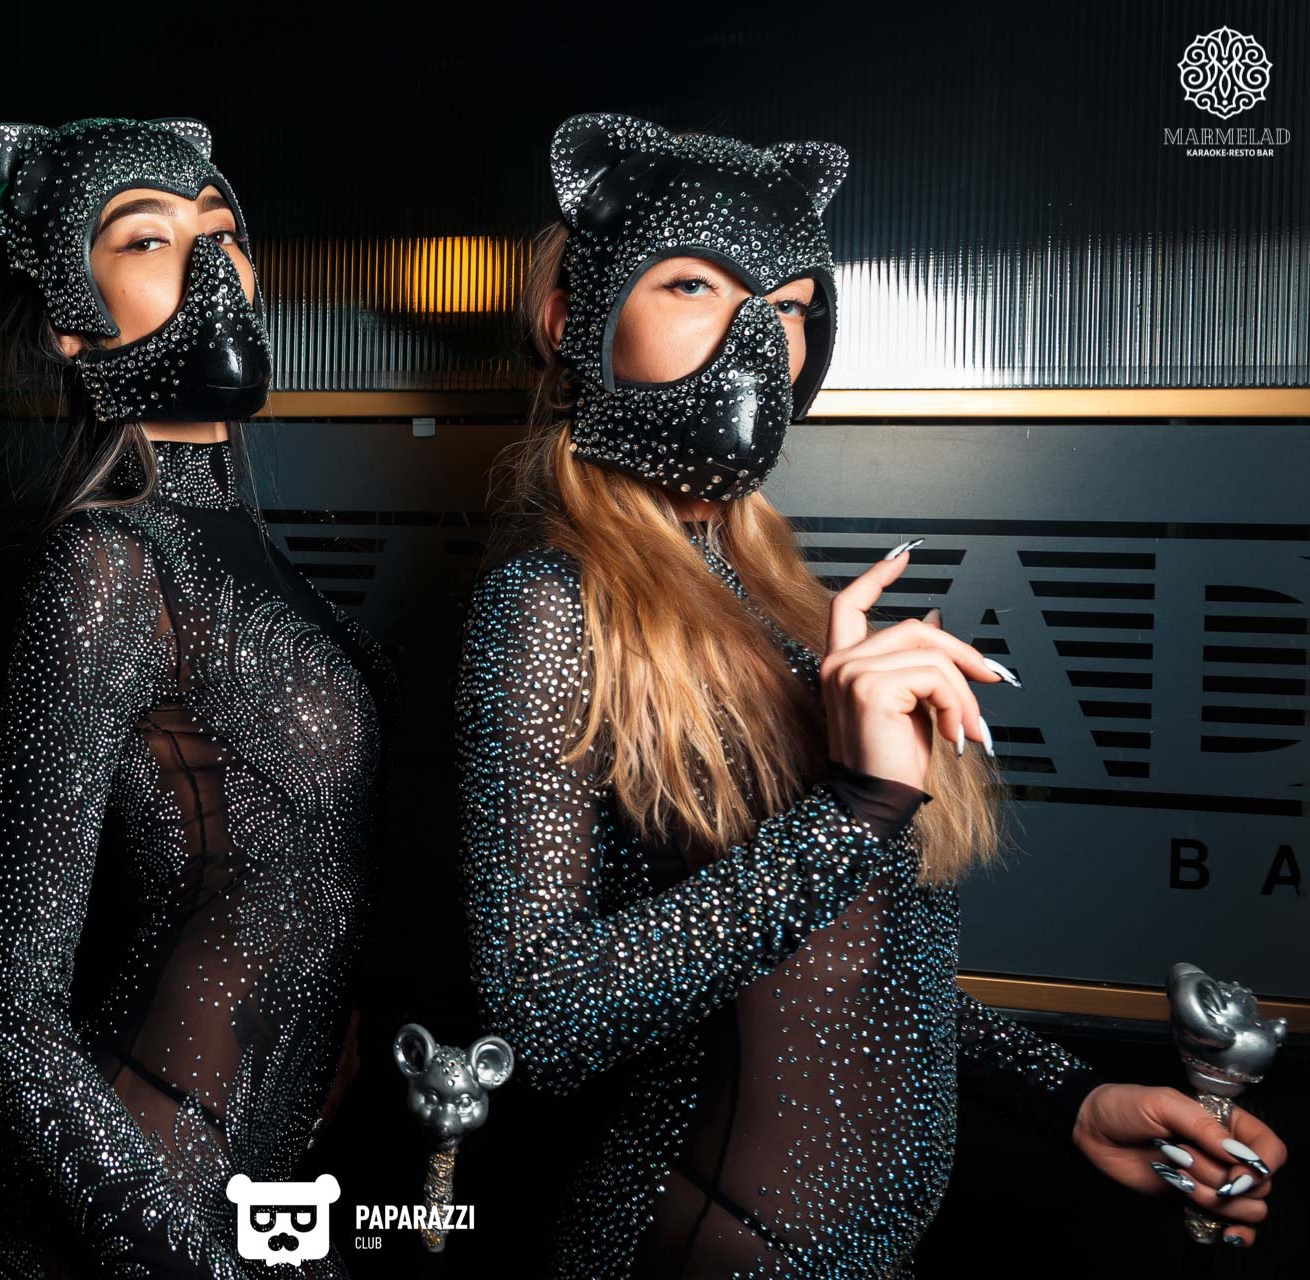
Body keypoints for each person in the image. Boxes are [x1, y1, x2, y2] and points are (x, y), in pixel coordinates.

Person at [456, 114, 1288, 1275]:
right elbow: (542, 1017)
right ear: (570, 319)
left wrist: (1070, 1099)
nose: (759, 337)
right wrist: (853, 808)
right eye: (694, 283)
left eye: (791, 304)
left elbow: (849, 971)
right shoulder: (552, 605)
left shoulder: (787, 603)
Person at [0, 116, 394, 1278]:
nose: (213, 269)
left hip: (275, 1188)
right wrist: (180, 1254)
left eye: (224, 233)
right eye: (149, 239)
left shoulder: (254, 553)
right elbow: (7, 1008)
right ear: (70, 319)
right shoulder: (107, 562)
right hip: (157, 1176)